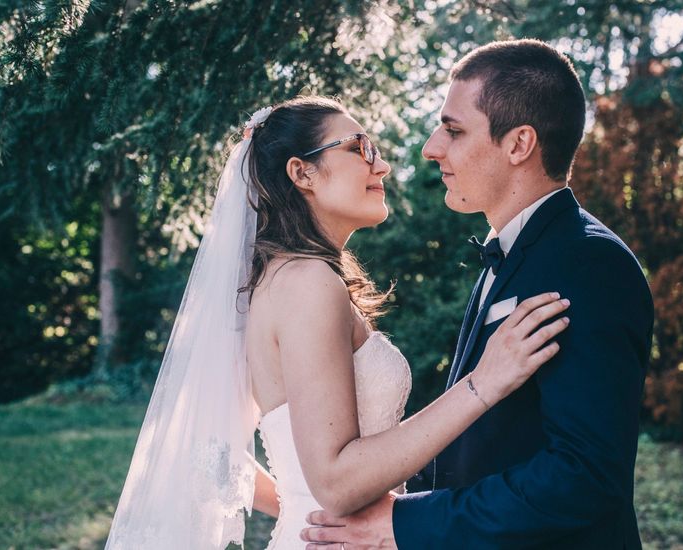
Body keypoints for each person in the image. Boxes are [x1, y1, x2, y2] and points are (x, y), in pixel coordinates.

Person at [104, 95, 570, 550]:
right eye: (359, 148)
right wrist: (482, 384)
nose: (382, 166)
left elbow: (213, 454)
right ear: (301, 172)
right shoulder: (307, 283)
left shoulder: (280, 279)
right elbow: (336, 480)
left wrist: (302, 504)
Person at [301, 39, 654, 549]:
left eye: (453, 129)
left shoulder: (589, 264)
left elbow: (585, 477)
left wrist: (402, 525)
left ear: (518, 144)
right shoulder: (513, 251)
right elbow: (486, 444)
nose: (431, 147)